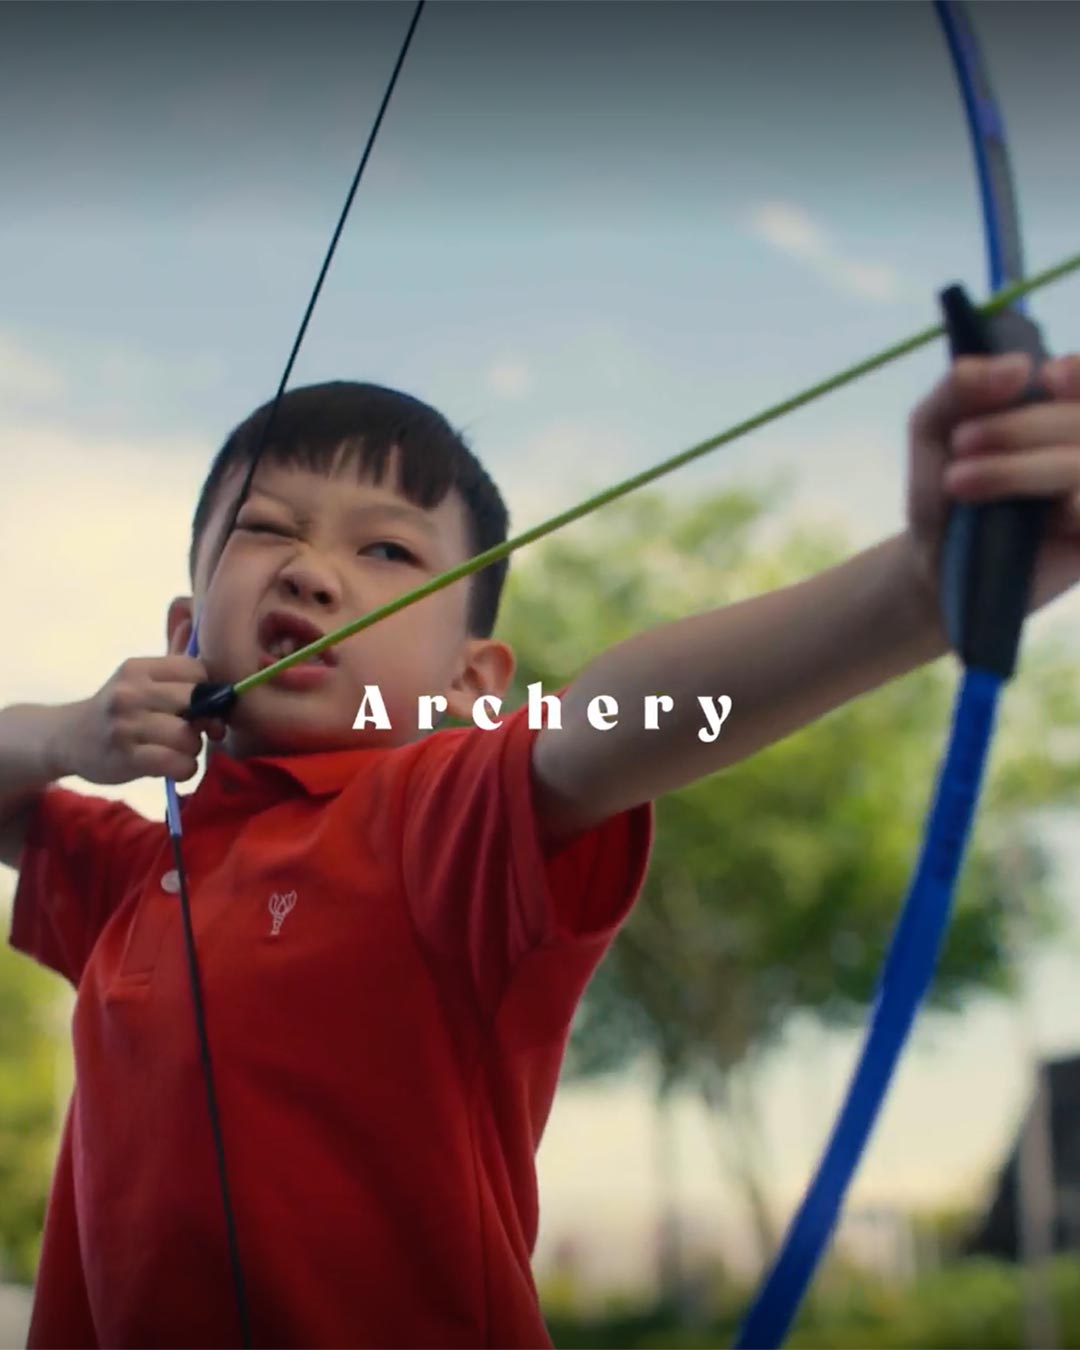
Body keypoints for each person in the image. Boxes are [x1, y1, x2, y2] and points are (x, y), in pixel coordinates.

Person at [3, 352, 1080, 1347]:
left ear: (472, 683)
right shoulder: (133, 873)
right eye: (267, 528)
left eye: (386, 550)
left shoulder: (435, 822)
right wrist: (67, 734)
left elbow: (613, 722)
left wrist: (922, 587)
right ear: (184, 632)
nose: (312, 573)